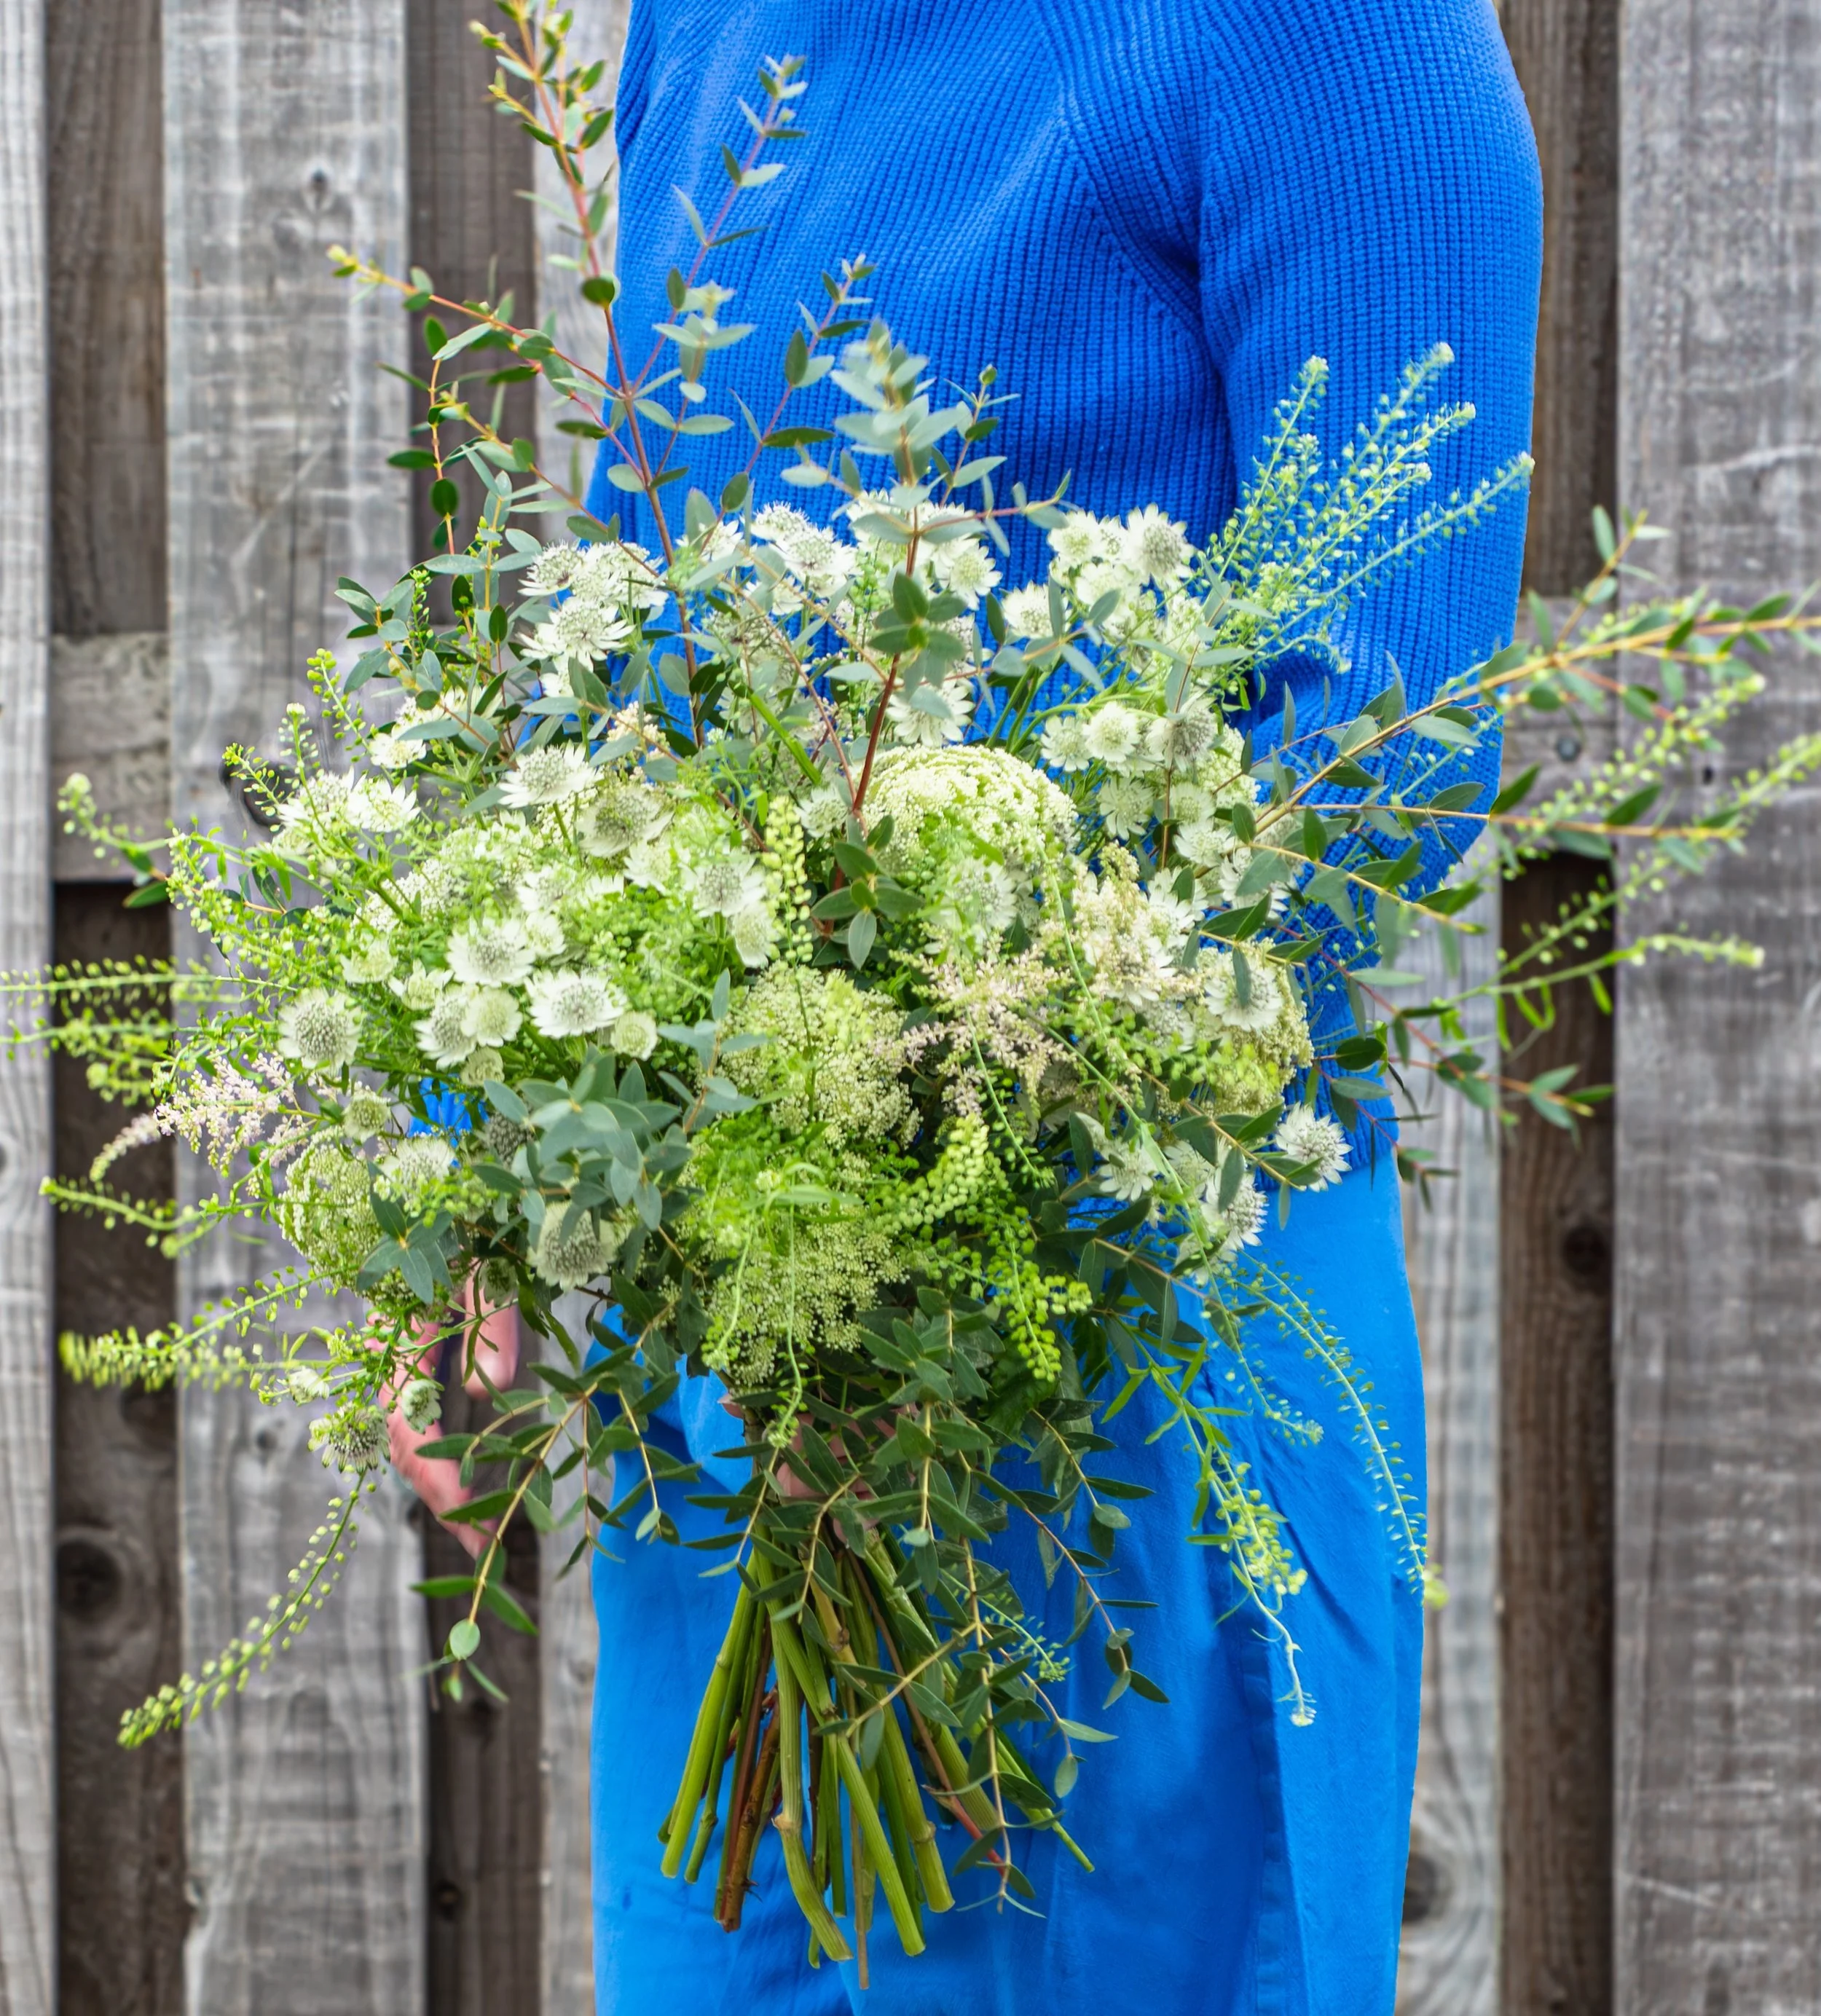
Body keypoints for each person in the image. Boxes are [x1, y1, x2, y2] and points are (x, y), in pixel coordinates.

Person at [398, 4, 1541, 2009]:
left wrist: (940, 1104)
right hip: (747, 1329)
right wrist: (470, 1161)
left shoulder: (1333, 36)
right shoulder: (720, 24)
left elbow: (1369, 749)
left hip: (1115, 1337)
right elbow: (640, 628)